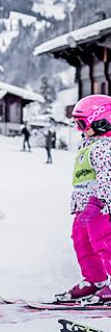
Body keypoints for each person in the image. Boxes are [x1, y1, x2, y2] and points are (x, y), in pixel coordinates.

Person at [56, 95, 111, 304]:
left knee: (104, 243)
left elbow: (108, 179)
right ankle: (95, 280)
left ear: (102, 120)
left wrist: (98, 203)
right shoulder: (89, 144)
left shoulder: (105, 148)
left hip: (101, 208)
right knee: (82, 242)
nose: (79, 129)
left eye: (82, 123)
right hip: (84, 207)